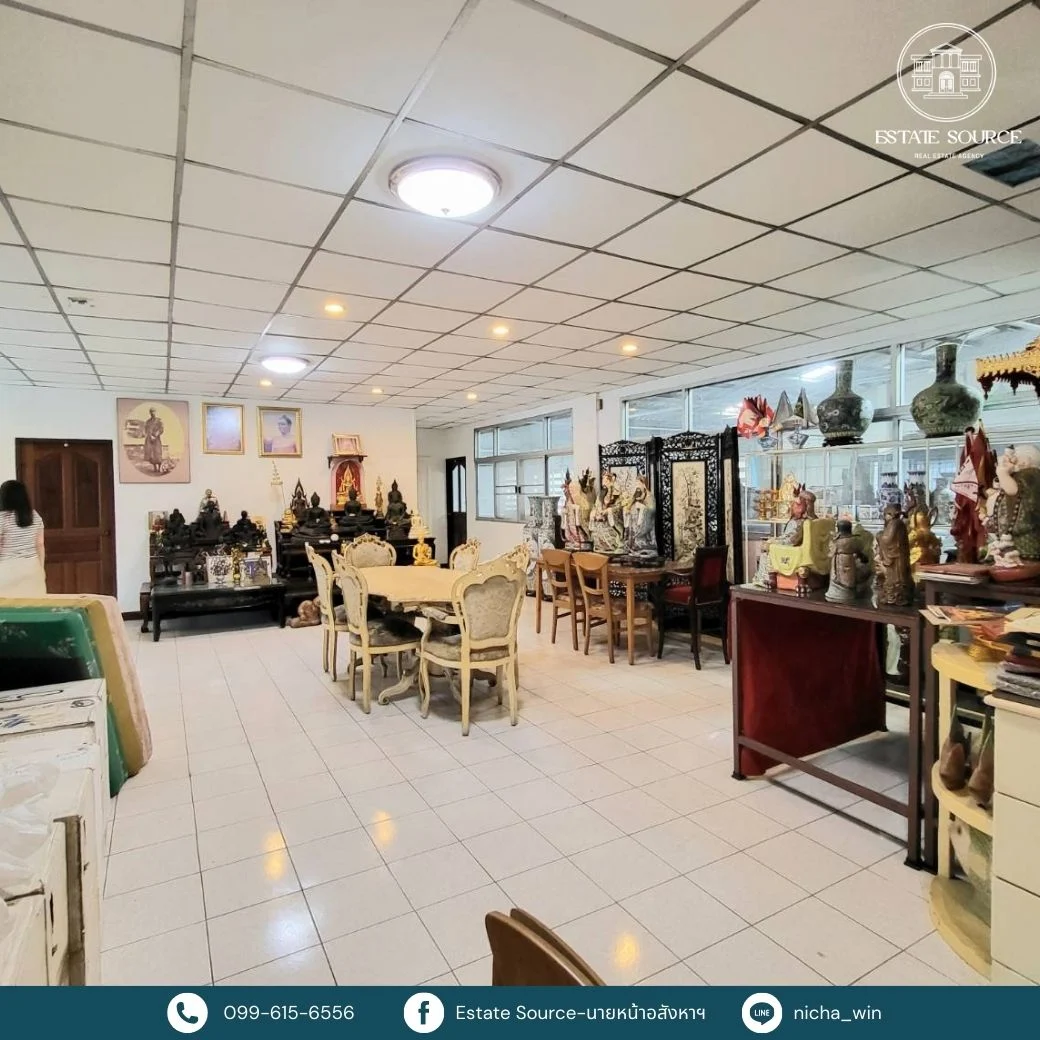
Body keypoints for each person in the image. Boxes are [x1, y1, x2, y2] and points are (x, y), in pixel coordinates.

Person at [0, 479, 46, 596]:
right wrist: (41, 569)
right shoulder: (34, 516)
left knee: (7, 606)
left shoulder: (2, 518)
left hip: (7, 569)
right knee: (33, 604)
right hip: (32, 567)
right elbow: (40, 544)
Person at [143, 407, 165, 473]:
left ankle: (159, 467)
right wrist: (150, 436)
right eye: (151, 412)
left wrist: (155, 435)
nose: (152, 413)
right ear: (150, 413)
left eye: (154, 411)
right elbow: (146, 430)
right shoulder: (148, 422)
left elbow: (161, 429)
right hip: (150, 439)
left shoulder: (158, 421)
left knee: (157, 453)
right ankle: (155, 468)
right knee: (151, 454)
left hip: (156, 439)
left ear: (155, 412)